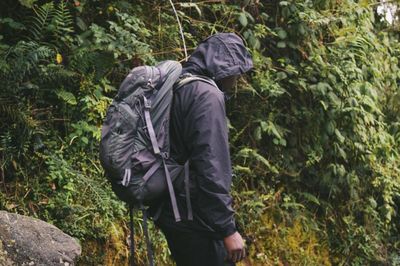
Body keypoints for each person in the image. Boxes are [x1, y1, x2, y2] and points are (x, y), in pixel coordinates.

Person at [152, 32, 253, 266]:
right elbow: (211, 166)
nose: (237, 79)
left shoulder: (178, 84)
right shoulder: (206, 95)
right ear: (225, 67)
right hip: (194, 215)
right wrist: (227, 229)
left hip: (170, 207)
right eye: (236, 72)